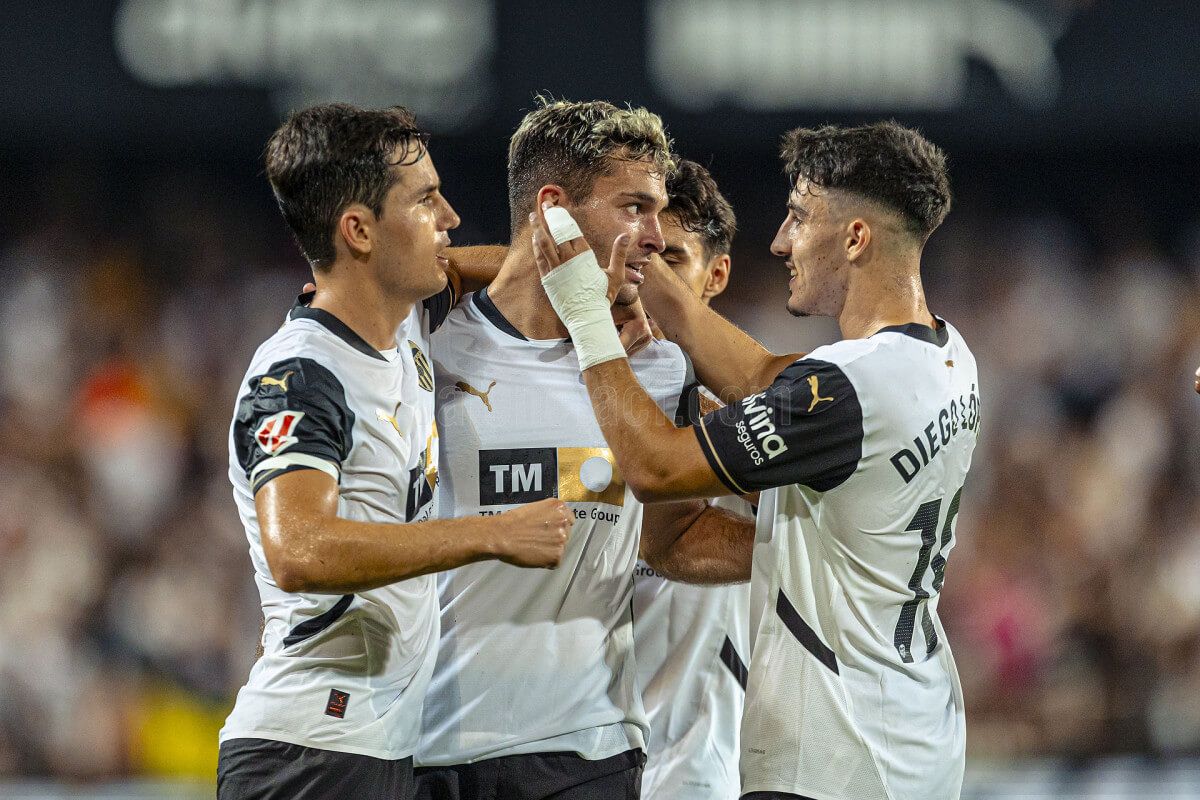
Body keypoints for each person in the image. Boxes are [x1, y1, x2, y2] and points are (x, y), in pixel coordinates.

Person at [535, 121, 979, 800]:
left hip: (838, 759)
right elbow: (765, 374)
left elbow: (656, 467)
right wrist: (647, 270)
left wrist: (585, 317)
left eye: (799, 218)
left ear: (855, 238)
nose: (779, 240)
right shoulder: (947, 358)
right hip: (915, 735)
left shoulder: (850, 390)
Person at [218, 103, 571, 800]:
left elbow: (494, 271)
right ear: (357, 230)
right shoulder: (299, 376)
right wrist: (490, 534)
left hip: (374, 747)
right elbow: (300, 550)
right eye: (424, 200)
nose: (450, 217)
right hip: (307, 756)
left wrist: (591, 283)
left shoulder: (405, 321)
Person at [414, 98, 752, 800]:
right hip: (426, 745)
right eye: (634, 208)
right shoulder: (425, 353)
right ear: (553, 209)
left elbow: (668, 533)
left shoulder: (655, 372)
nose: (654, 237)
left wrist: (797, 555)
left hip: (585, 754)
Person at [633, 159, 752, 800]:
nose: (641, 282)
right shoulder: (562, 391)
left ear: (717, 274)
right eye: (633, 256)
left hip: (689, 772)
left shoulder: (752, 419)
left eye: (668, 261)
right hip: (555, 763)